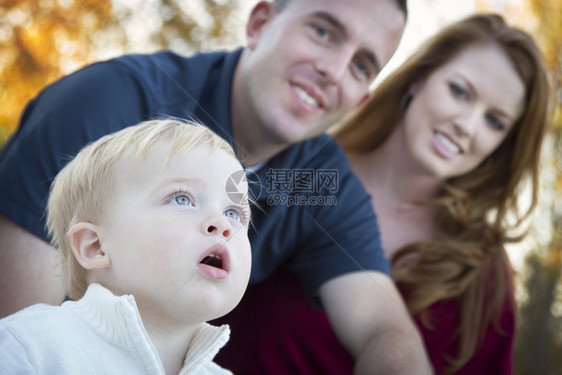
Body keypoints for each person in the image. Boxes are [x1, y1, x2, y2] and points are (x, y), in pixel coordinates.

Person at [0, 0, 433, 373]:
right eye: (323, 31)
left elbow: (384, 328)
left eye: (361, 65)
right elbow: (16, 318)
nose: (334, 71)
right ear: (260, 22)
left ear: (361, 99)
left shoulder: (323, 182)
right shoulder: (107, 104)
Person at [213, 13, 552, 375]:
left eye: (494, 121)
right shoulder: (300, 173)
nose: (466, 126)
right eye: (459, 92)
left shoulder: (482, 275)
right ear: (418, 80)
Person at [0, 119, 253, 374]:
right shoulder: (31, 347)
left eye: (234, 213)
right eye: (182, 198)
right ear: (96, 247)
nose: (222, 225)